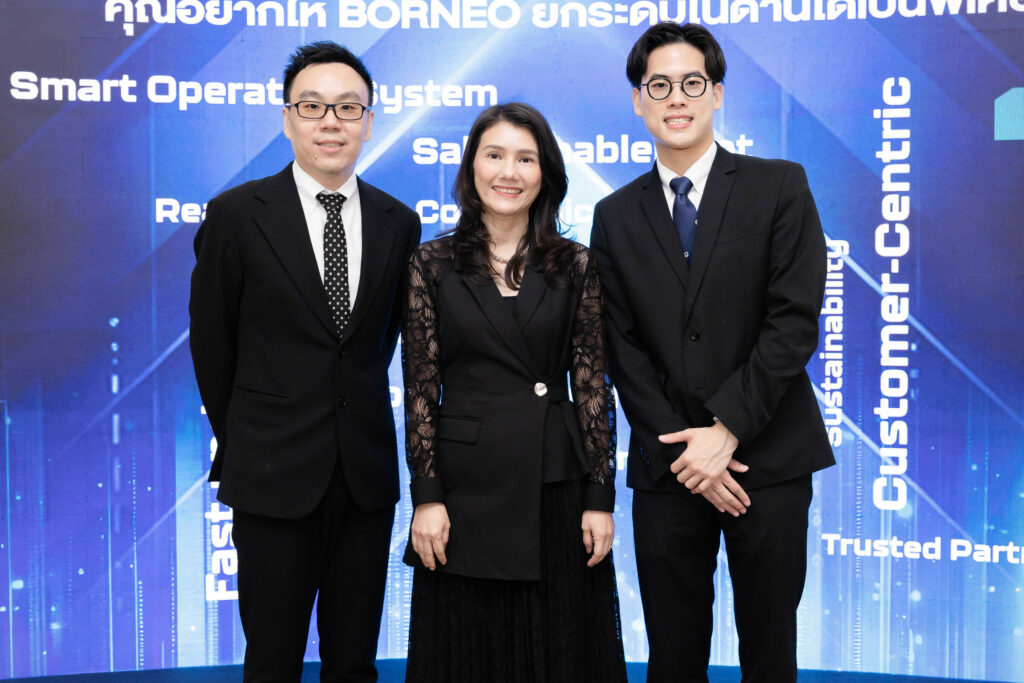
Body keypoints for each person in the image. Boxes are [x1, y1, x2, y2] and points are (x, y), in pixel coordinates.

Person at [589, 22, 836, 683]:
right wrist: (686, 452)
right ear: (638, 100)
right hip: (668, 468)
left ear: (717, 94)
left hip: (768, 458)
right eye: (659, 85)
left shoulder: (778, 185)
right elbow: (622, 347)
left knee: (769, 650)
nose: (676, 98)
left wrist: (725, 432)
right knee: (673, 655)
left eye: (692, 83)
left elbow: (793, 322)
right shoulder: (614, 215)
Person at [188, 41, 421, 683]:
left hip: (364, 479)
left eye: (348, 108)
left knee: (354, 663)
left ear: (368, 121)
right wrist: (250, 439)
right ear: (287, 118)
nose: (331, 122)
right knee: (272, 662)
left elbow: (382, 341)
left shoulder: (398, 222)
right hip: (270, 476)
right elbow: (212, 346)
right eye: (312, 106)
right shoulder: (237, 216)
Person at [400, 102, 627, 683]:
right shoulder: (432, 263)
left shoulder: (575, 263)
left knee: (561, 652)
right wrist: (426, 497)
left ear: (545, 173)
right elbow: (421, 388)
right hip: (464, 492)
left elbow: (592, 385)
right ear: (472, 167)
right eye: (495, 155)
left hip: (554, 484)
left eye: (526, 159)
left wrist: (600, 497)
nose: (509, 172)